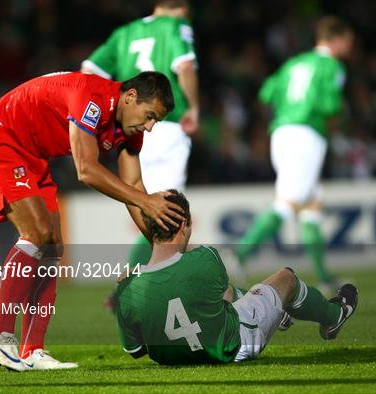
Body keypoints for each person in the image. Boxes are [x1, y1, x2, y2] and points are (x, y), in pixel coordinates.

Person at [0, 70, 184, 371]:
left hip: (33, 157)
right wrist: (147, 201)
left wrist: (162, 248)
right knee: (37, 234)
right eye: (149, 116)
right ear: (131, 96)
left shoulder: (130, 130)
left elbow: (134, 188)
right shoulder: (91, 96)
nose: (149, 127)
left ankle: (33, 350)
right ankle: (0, 334)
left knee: (52, 248)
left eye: (155, 121)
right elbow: (86, 169)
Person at [115, 190, 358, 365]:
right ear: (184, 226)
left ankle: (280, 312)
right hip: (233, 346)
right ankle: (334, 315)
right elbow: (228, 296)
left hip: (170, 361)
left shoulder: (126, 288)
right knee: (286, 278)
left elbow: (136, 350)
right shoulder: (205, 258)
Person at [233, 16, 354, 293]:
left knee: (310, 204)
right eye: (348, 41)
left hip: (282, 131)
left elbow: (266, 93)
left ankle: (323, 278)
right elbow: (331, 106)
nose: (350, 47)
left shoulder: (294, 63)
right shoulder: (332, 66)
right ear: (337, 40)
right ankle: (237, 256)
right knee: (288, 202)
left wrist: (288, 109)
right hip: (306, 135)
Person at [81, 0, 199, 267]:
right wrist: (193, 107)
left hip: (130, 125)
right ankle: (135, 284)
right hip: (164, 123)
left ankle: (138, 281)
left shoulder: (124, 32)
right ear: (182, 8)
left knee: (154, 206)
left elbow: (88, 71)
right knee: (170, 209)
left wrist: (107, 109)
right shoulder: (177, 25)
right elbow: (186, 67)